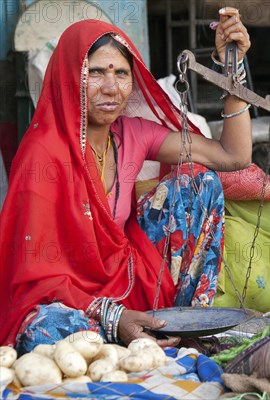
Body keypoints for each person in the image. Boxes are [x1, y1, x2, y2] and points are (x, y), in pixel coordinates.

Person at [0, 9, 252, 352]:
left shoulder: (131, 134)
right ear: (71, 77)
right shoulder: (42, 152)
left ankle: (181, 327)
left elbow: (232, 156)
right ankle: (131, 333)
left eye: (121, 73)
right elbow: (36, 274)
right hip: (70, 299)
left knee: (200, 185)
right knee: (41, 329)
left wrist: (232, 68)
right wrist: (113, 318)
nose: (111, 87)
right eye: (97, 72)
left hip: (127, 279)